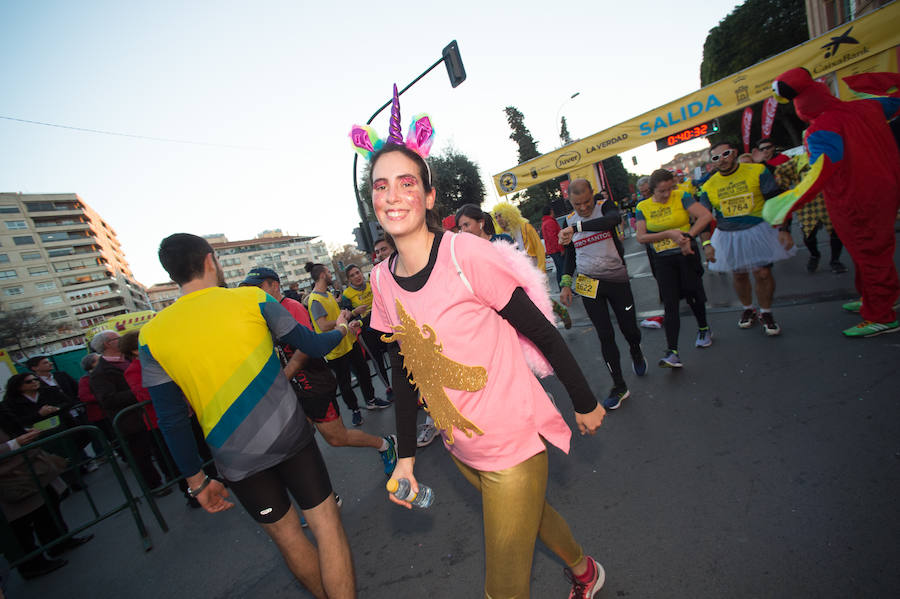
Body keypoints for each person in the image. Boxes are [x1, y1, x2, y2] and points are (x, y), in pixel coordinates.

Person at [351, 94, 607, 598]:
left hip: (512, 441)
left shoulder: (467, 253)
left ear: (428, 196)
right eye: (382, 185)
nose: (393, 194)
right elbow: (405, 372)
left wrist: (584, 399)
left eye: (407, 182)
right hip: (460, 445)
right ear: (372, 201)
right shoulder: (381, 280)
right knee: (532, 519)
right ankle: (585, 571)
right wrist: (405, 457)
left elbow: (541, 329)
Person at [139, 233, 357, 599]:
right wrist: (339, 331)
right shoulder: (252, 298)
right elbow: (312, 345)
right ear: (211, 260)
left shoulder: (151, 335)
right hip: (290, 437)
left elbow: (171, 419)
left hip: (236, 458)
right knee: (327, 529)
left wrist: (197, 483)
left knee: (290, 540)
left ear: (173, 273)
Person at [766, 68, 900, 337]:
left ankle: (881, 315)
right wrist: (872, 80)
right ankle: (877, 298)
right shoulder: (867, 106)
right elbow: (895, 100)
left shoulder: (821, 129)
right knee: (869, 254)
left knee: (871, 254)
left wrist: (788, 203)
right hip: (884, 190)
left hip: (854, 200)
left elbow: (822, 170)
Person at [239, 268, 398, 477]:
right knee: (298, 442)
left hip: (313, 384)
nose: (252, 293)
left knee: (337, 437)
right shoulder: (263, 314)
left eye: (256, 288)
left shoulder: (291, 307)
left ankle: (385, 444)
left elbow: (307, 347)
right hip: (293, 390)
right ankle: (321, 495)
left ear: (273, 286)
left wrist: (283, 378)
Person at [557, 179, 645, 407]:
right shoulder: (568, 220)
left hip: (616, 280)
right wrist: (565, 283)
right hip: (589, 285)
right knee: (605, 335)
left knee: (629, 329)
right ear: (570, 201)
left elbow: (612, 221)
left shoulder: (604, 206)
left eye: (587, 201)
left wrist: (577, 228)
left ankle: (636, 350)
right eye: (578, 204)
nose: (584, 208)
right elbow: (570, 256)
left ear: (592, 194)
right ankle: (619, 385)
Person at [698, 140, 795, 336]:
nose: (722, 160)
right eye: (716, 158)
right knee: (739, 275)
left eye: (725, 154)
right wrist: (707, 244)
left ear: (734, 153)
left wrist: (784, 229)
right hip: (728, 235)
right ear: (712, 162)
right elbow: (705, 218)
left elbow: (776, 200)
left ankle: (766, 312)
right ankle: (748, 308)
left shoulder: (757, 171)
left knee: (763, 273)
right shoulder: (708, 186)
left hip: (759, 229)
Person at [635, 169, 715, 367]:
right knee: (670, 303)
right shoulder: (643, 206)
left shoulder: (682, 196)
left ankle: (704, 328)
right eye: (662, 191)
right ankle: (672, 352)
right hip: (663, 259)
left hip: (686, 255)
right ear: (652, 190)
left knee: (693, 295)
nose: (667, 194)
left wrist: (687, 237)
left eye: (670, 188)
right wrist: (669, 234)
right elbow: (641, 237)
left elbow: (705, 216)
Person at [0, 426, 93, 580]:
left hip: (28, 470)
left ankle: (58, 542)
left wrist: (25, 433)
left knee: (47, 507)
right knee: (20, 526)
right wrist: (14, 444)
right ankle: (31, 564)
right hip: (10, 481)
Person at [306, 261, 391, 427]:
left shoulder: (328, 294)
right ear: (323, 275)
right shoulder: (315, 299)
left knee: (364, 372)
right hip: (335, 350)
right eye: (329, 273)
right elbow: (323, 325)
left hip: (349, 342)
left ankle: (371, 400)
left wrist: (348, 313)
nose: (331, 275)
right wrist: (344, 318)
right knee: (345, 384)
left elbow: (338, 316)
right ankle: (355, 411)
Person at [90, 331, 171, 496]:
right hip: (130, 421)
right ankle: (154, 486)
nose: (120, 340)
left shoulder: (128, 360)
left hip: (149, 415)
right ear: (107, 344)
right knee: (141, 456)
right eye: (117, 338)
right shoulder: (100, 372)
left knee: (161, 448)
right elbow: (108, 399)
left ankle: (172, 475)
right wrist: (140, 391)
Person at [772, 155, 846, 274]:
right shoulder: (799, 160)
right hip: (807, 205)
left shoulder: (827, 156)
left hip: (828, 202)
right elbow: (780, 171)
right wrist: (784, 186)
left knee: (835, 233)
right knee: (809, 236)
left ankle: (835, 260)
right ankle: (814, 255)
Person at [341, 264, 391, 396]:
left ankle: (405, 383)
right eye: (352, 275)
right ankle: (389, 388)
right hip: (366, 331)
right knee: (377, 360)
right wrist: (354, 312)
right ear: (349, 280)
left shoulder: (371, 284)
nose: (356, 276)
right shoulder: (346, 295)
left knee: (393, 353)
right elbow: (346, 317)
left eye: (357, 272)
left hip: (383, 324)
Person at [541, 205, 565, 288]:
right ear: (551, 211)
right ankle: (565, 288)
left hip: (552, 250)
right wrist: (561, 249)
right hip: (556, 250)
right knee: (563, 270)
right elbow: (554, 238)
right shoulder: (550, 222)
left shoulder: (545, 222)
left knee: (560, 270)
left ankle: (562, 288)